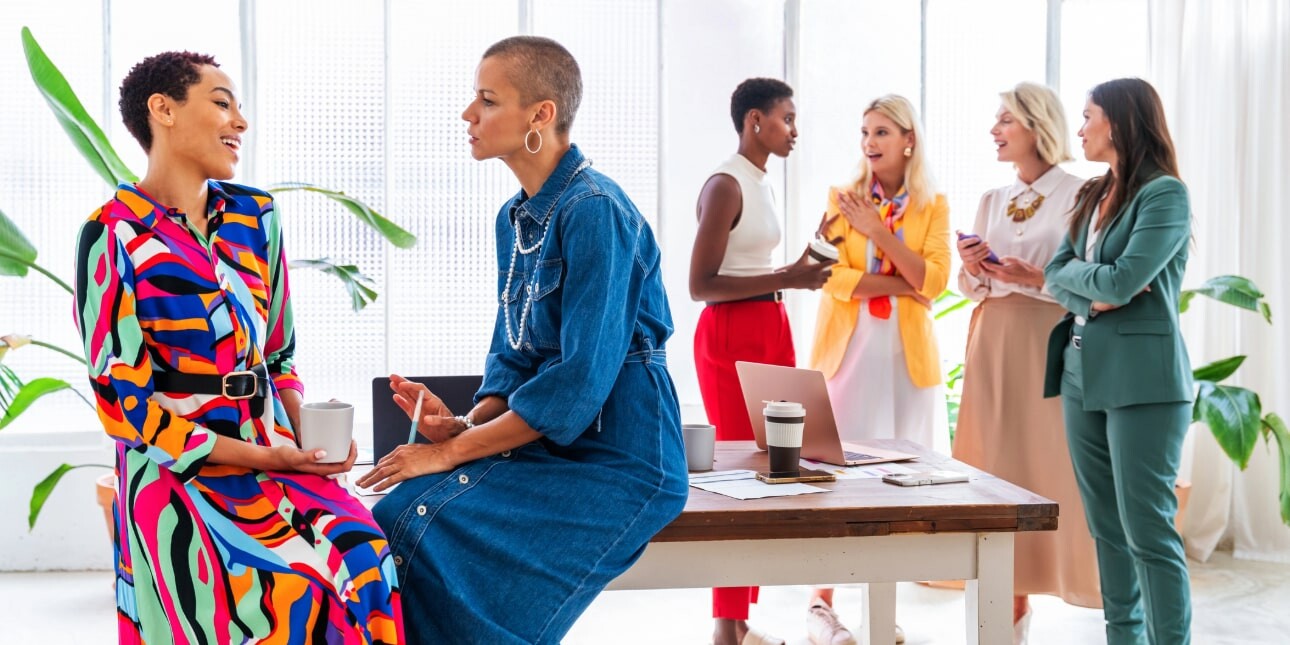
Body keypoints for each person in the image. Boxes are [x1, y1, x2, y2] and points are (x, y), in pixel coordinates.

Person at [358, 36, 688, 644]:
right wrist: (465, 422)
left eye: (486, 100)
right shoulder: (515, 218)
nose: (468, 115)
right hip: (552, 444)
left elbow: (578, 381)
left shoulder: (595, 211)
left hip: (622, 457)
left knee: (417, 520)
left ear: (541, 115)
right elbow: (513, 356)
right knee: (394, 518)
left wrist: (454, 452)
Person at [73, 52, 402, 643]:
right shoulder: (112, 233)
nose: (240, 122)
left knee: (366, 557)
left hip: (271, 444)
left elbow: (278, 354)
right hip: (174, 469)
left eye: (239, 107)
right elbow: (123, 402)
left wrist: (306, 432)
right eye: (222, 103)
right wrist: (260, 459)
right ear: (163, 110)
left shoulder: (256, 215)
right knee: (276, 592)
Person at [1043, 77, 1193, 645]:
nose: (1079, 129)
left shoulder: (1164, 195)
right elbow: (1058, 274)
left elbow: (1126, 280)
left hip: (1145, 384)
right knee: (1106, 529)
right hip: (1081, 373)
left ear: (1119, 121)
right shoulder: (1091, 194)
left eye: (1087, 116)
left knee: (1148, 531)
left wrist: (1102, 286)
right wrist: (1097, 290)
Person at [952, 82, 1102, 642]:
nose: (995, 130)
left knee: (1048, 466)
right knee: (992, 467)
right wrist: (972, 267)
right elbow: (969, 287)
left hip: (1048, 340)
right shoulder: (991, 198)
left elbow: (1088, 279)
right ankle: (1002, 613)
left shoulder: (1080, 193)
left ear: (1038, 126)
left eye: (1005, 120)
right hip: (992, 340)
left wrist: (1032, 278)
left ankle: (1053, 587)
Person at [689, 77, 833, 645]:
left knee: (779, 465)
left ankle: (743, 620)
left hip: (770, 323)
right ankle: (727, 626)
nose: (794, 130)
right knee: (739, 473)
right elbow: (700, 284)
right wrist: (790, 277)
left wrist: (803, 264)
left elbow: (753, 267)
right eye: (787, 119)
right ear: (755, 120)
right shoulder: (726, 183)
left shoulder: (759, 181)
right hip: (731, 331)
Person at [808, 94, 951, 644]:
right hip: (851, 351)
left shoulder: (932, 204)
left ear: (908, 139)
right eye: (865, 132)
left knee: (899, 479)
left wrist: (878, 231)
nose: (870, 142)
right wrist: (904, 282)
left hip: (905, 358)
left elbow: (935, 280)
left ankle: (882, 609)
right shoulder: (839, 199)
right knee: (837, 474)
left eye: (883, 132)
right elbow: (830, 276)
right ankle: (821, 602)